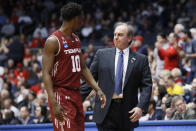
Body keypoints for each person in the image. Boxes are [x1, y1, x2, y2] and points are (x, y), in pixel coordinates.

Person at [42, 2, 106, 131]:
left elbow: (83, 69)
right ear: (76, 18)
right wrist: (54, 102)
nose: (82, 22)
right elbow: (45, 73)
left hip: (76, 94)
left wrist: (97, 88)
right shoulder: (53, 41)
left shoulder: (76, 39)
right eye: (81, 19)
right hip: (61, 93)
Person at [81, 22, 152, 131]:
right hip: (105, 111)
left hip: (128, 112)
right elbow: (90, 80)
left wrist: (140, 107)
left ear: (129, 38)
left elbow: (147, 86)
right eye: (115, 34)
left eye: (120, 35)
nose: (116, 37)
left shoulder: (141, 60)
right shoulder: (101, 54)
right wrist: (75, 100)